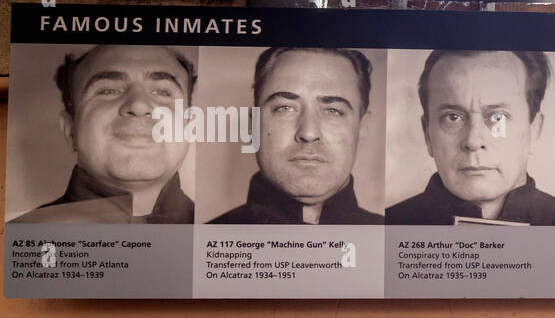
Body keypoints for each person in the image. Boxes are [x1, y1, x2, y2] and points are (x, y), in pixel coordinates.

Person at [12, 45, 196, 223]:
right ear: (70, 130)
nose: (138, 105)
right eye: (108, 90)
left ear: (190, 128)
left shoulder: (220, 234)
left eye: (163, 92)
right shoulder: (12, 241)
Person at [386, 50, 555, 225]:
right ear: (427, 135)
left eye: (498, 117)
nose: (473, 142)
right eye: (453, 117)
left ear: (534, 130)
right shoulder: (387, 224)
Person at [209, 47, 382, 224]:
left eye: (333, 111)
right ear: (253, 125)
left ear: (362, 127)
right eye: (285, 108)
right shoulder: (203, 241)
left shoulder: (388, 237)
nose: (308, 133)